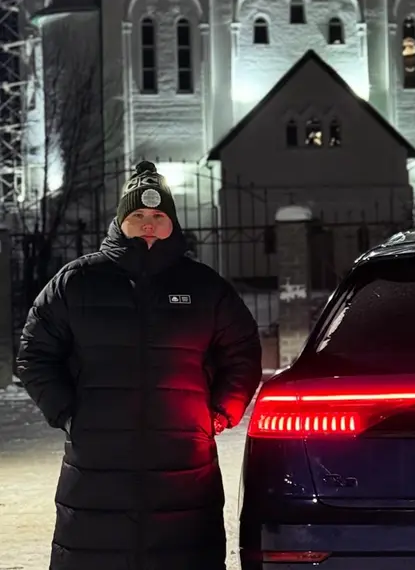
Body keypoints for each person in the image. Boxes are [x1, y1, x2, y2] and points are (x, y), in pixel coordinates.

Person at [16, 161, 263, 570]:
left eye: (158, 216)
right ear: (120, 221)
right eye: (138, 215)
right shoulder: (77, 282)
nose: (148, 224)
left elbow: (243, 352)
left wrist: (220, 412)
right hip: (97, 466)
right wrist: (68, 413)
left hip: (183, 467)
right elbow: (35, 353)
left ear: (172, 223)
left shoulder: (205, 287)